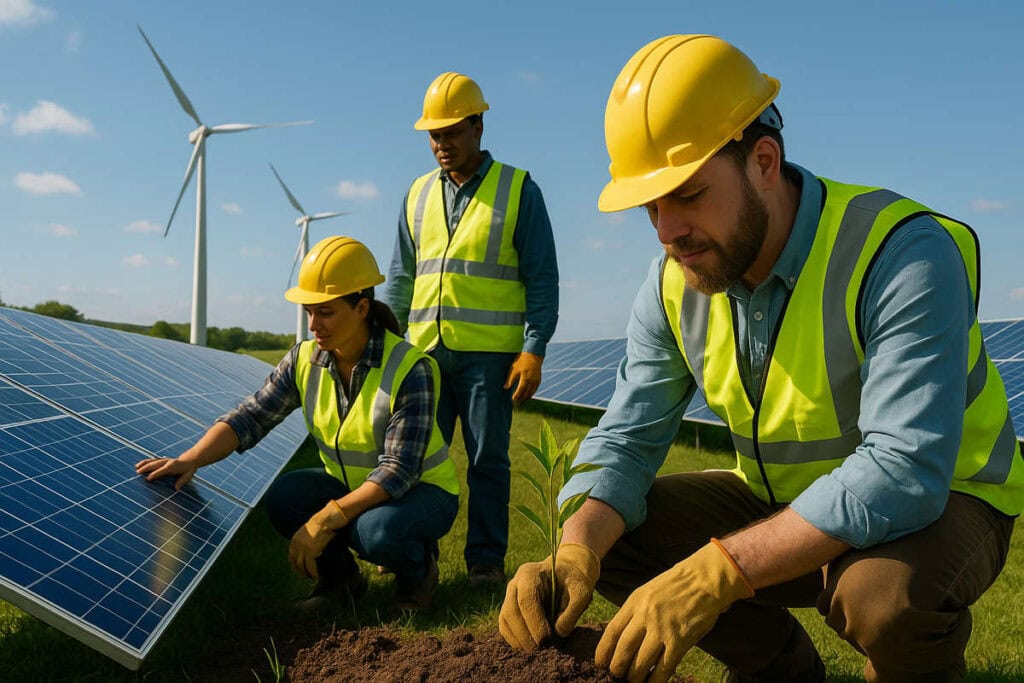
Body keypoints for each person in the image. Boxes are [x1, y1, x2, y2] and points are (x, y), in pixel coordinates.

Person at [499, 34, 1022, 682]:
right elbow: (628, 439)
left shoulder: (899, 253)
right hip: (793, 505)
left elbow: (904, 469)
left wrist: (718, 570)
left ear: (765, 162)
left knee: (880, 594)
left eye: (687, 193)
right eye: (649, 206)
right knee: (613, 530)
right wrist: (575, 550)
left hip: (948, 500)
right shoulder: (674, 285)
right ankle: (785, 672)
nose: (666, 231)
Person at [136, 235, 460, 613]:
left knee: (375, 532)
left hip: (422, 493)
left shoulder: (410, 367)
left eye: (325, 312)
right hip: (355, 487)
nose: (313, 326)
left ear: (361, 307)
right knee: (286, 498)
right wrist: (190, 459)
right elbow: (251, 416)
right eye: (309, 312)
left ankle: (419, 575)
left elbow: (397, 472)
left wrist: (324, 520)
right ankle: (341, 582)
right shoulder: (305, 360)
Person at [385, 72, 559, 588]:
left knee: (487, 461)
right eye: (433, 136)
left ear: (479, 126)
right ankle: (417, 557)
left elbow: (541, 276)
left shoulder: (519, 189)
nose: (441, 144)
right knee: (414, 460)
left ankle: (484, 564)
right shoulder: (415, 195)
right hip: (423, 356)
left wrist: (535, 348)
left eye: (451, 133)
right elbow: (400, 277)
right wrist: (389, 344)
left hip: (491, 358)